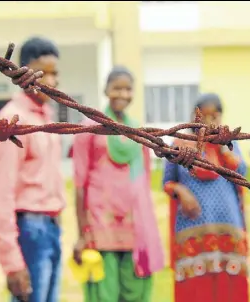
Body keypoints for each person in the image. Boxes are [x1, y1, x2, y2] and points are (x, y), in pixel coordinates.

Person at [72, 66, 164, 302]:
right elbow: (80, 184)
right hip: (101, 222)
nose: (123, 94)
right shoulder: (89, 128)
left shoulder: (137, 131)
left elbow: (142, 181)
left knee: (135, 290)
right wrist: (83, 232)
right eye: (117, 88)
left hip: (134, 224)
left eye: (128, 89)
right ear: (106, 90)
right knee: (105, 292)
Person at [0, 37, 66, 302]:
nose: (53, 82)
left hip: (52, 226)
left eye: (56, 74)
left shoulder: (46, 117)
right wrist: (11, 261)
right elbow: (2, 193)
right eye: (45, 74)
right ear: (23, 72)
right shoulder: (13, 120)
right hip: (30, 229)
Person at [162, 93, 250, 302]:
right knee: (195, 288)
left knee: (229, 284)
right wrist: (182, 192)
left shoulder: (229, 145)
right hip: (192, 226)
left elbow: (242, 173)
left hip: (227, 226)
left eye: (215, 115)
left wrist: (222, 147)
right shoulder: (180, 143)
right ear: (195, 117)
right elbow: (166, 182)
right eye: (205, 116)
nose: (211, 121)